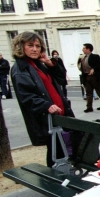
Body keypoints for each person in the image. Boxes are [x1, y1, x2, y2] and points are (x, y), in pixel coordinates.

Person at [10, 32, 74, 167]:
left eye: (38, 46)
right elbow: (26, 96)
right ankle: (57, 181)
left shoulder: (38, 64)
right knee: (56, 153)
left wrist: (50, 64)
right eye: (30, 45)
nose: (35, 49)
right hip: (47, 118)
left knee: (65, 150)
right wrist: (46, 105)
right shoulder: (21, 68)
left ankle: (62, 179)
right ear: (21, 47)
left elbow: (62, 79)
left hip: (60, 114)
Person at [78, 43, 100, 113]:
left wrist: (94, 68)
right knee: (88, 92)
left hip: (94, 76)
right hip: (86, 76)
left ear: (88, 49)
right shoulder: (82, 57)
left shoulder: (95, 56)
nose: (82, 49)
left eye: (84, 48)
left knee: (99, 91)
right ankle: (89, 107)